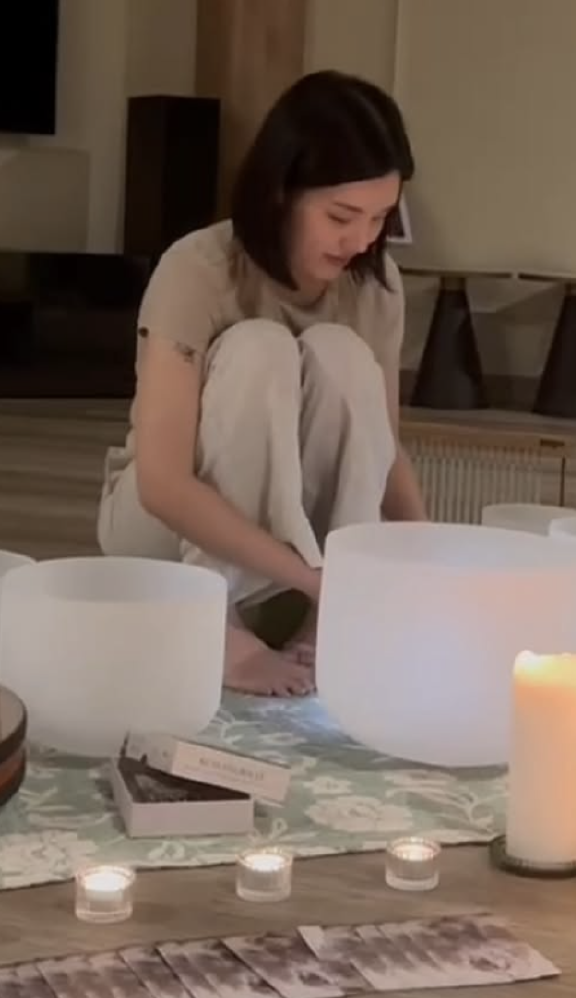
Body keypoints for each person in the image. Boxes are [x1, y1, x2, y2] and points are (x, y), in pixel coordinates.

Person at [97, 70, 429, 697]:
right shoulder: (198, 269)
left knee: (340, 354)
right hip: (161, 526)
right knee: (259, 349)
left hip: (293, 539)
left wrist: (423, 559)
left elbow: (381, 447)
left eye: (380, 218)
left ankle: (325, 621)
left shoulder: (375, 286)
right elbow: (163, 484)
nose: (360, 241)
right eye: (341, 216)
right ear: (281, 193)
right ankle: (215, 626)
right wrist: (311, 574)